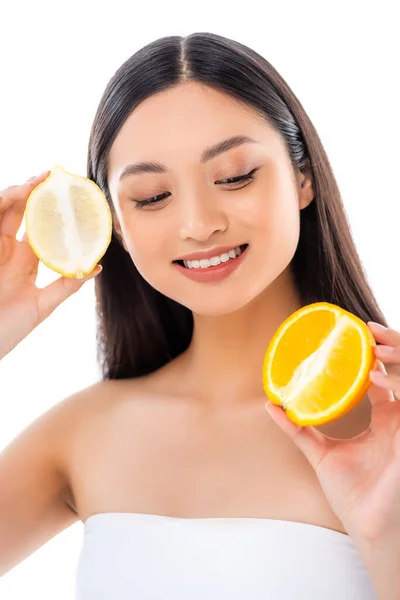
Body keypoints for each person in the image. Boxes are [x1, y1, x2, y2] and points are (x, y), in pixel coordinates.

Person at [0, 31, 399, 600]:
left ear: (303, 178)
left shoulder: (390, 424)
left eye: (235, 176)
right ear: (116, 222)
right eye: (151, 196)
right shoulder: (82, 434)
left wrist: (388, 532)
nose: (198, 223)